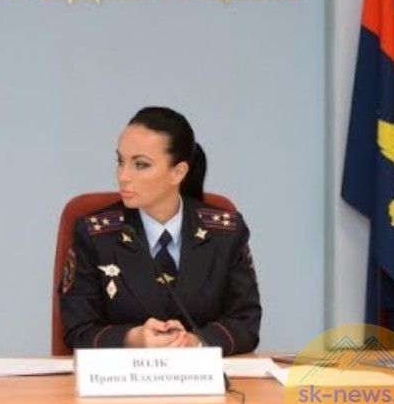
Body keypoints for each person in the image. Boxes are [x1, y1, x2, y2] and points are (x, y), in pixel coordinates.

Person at [58, 106, 261, 355]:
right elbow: (78, 329)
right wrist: (133, 339)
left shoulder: (225, 233)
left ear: (178, 172)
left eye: (140, 164)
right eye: (120, 161)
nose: (123, 176)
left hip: (200, 377)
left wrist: (195, 342)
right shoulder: (95, 235)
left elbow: (245, 322)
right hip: (123, 377)